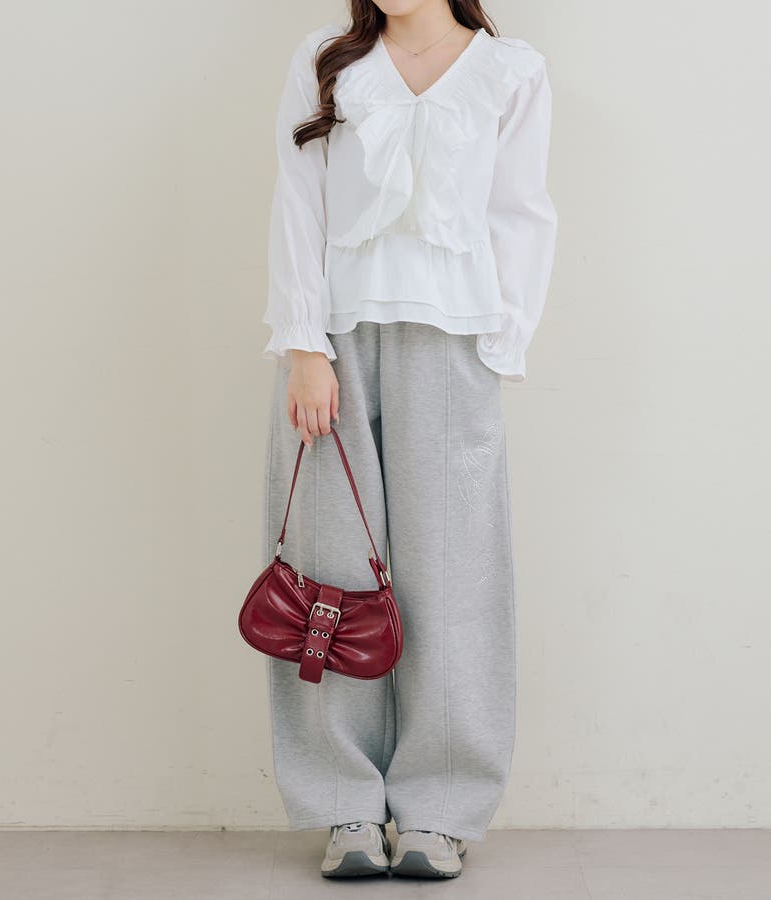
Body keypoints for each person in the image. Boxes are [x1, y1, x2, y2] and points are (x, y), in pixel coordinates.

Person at [258, 0, 557, 880]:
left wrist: (500, 344)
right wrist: (303, 345)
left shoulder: (510, 72)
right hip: (335, 343)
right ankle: (343, 804)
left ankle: (441, 808)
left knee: (456, 578)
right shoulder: (327, 59)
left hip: (454, 341)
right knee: (329, 575)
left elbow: (521, 213)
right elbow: (297, 197)